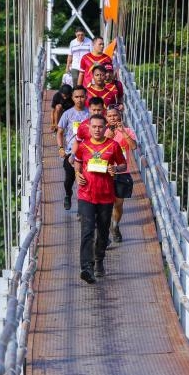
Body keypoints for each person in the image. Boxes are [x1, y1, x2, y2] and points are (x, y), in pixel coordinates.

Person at [74, 114, 127, 284]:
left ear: (105, 128)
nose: (97, 130)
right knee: (87, 231)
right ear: (89, 128)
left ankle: (99, 261)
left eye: (100, 127)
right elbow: (77, 161)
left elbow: (123, 164)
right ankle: (86, 268)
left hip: (105, 196)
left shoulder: (113, 145)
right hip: (86, 195)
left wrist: (115, 169)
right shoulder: (83, 146)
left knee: (103, 233)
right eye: (94, 126)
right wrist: (77, 174)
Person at [104, 107, 137, 243]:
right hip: (106, 172)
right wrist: (109, 133)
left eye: (115, 115)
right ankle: (104, 234)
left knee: (118, 204)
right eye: (110, 116)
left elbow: (134, 146)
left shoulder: (127, 131)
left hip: (122, 172)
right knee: (105, 205)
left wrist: (123, 132)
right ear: (106, 117)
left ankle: (115, 226)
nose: (112, 118)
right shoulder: (102, 130)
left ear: (120, 116)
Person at [56, 86, 89, 210]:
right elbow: (59, 132)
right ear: (72, 98)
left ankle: (82, 208)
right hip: (71, 152)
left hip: (87, 153)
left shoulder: (90, 114)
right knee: (69, 179)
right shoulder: (67, 114)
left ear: (86, 97)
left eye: (82, 96)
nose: (79, 99)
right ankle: (68, 194)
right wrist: (60, 148)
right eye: (76, 97)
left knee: (85, 181)